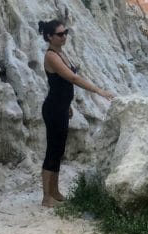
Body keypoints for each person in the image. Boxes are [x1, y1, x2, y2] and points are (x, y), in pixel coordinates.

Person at [38, 19, 114, 207]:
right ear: (49, 36)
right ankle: (46, 197)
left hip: (61, 107)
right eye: (60, 34)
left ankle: (55, 191)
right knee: (53, 150)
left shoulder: (61, 53)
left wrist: (68, 105)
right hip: (53, 108)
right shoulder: (51, 56)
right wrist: (98, 90)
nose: (64, 36)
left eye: (66, 32)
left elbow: (61, 85)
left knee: (59, 149)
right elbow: (71, 77)